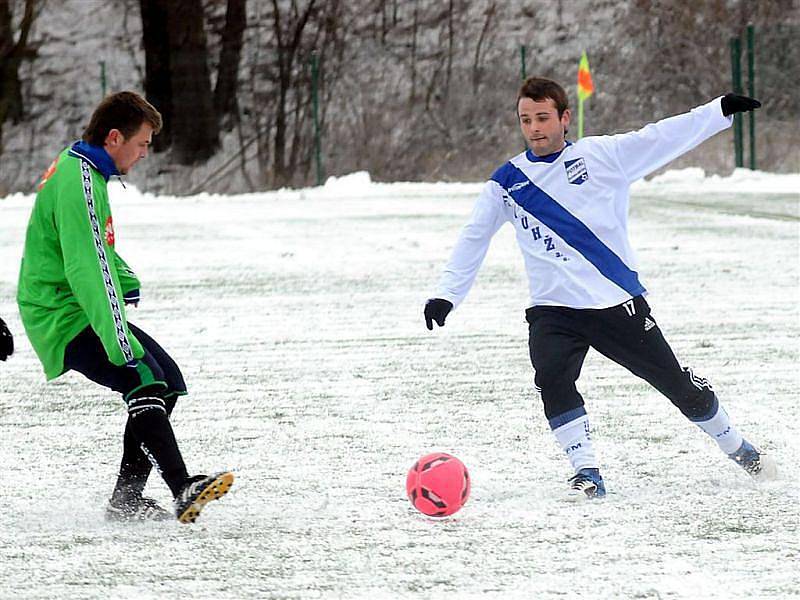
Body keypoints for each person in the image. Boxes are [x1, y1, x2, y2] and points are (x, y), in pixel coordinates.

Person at [424, 77, 776, 499]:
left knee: (679, 388)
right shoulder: (506, 182)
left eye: (542, 118)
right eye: (525, 120)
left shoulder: (601, 156)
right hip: (553, 311)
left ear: (564, 118)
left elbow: (659, 137)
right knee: (552, 377)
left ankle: (738, 447)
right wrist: (447, 293)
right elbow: (473, 236)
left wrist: (716, 111)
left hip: (615, 303)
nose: (534, 128)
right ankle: (586, 472)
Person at [17, 91, 233, 522]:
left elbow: (93, 249)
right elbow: (86, 268)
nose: (142, 155)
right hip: (62, 312)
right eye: (141, 145)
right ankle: (182, 487)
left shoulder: (84, 170)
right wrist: (118, 340)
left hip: (72, 303)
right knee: (142, 377)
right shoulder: (80, 182)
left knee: (166, 379)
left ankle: (126, 500)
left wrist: (125, 276)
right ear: (114, 138)